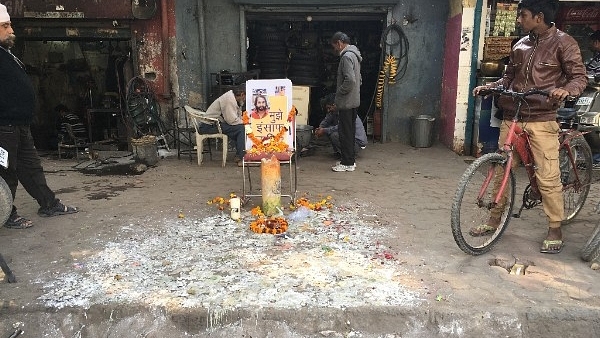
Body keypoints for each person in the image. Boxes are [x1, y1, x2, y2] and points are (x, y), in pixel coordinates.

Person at [472, 0, 588, 254]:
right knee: (501, 172)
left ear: (539, 16)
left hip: (542, 118)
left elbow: (579, 77)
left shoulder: (564, 42)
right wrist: (491, 87)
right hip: (513, 116)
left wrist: (564, 90)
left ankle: (555, 227)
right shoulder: (520, 45)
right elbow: (509, 78)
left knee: (548, 177)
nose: (518, 20)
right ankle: (493, 221)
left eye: (522, 15)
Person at [0, 4, 78, 229]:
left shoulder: (6, 54)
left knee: (32, 167)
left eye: (10, 24)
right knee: (6, 171)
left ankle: (48, 203)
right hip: (4, 126)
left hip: (19, 125)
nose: (11, 30)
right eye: (5, 26)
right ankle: (6, 213)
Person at [330, 31, 362, 172]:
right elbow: (359, 79)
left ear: (339, 43)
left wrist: (340, 92)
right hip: (353, 100)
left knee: (345, 133)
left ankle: (347, 163)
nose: (335, 50)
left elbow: (350, 80)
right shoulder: (355, 55)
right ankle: (349, 161)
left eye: (334, 46)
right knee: (349, 131)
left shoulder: (346, 57)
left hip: (346, 102)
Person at [300, 94, 367, 158]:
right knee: (329, 131)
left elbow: (340, 127)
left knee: (334, 134)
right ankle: (339, 152)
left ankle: (349, 154)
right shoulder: (333, 112)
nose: (328, 110)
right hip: (350, 140)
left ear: (335, 105)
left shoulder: (345, 112)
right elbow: (326, 121)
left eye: (329, 108)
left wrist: (324, 130)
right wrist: (320, 128)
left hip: (357, 143)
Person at [199, 85, 246, 165]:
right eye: (245, 96)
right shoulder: (229, 100)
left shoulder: (233, 98)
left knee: (240, 128)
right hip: (209, 126)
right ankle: (241, 158)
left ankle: (239, 154)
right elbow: (231, 121)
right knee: (241, 129)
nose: (245, 99)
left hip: (216, 123)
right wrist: (245, 122)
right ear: (242, 94)